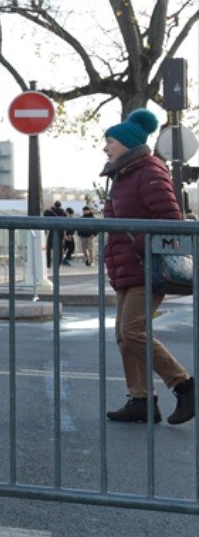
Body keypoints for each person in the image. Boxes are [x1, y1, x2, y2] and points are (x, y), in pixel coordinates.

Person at [100, 108, 192, 425]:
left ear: (127, 142)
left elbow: (170, 219)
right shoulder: (122, 175)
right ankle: (140, 400)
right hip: (126, 266)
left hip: (146, 265)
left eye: (109, 140)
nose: (105, 146)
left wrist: (137, 246)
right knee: (124, 336)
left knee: (133, 330)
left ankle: (183, 384)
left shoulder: (149, 171)